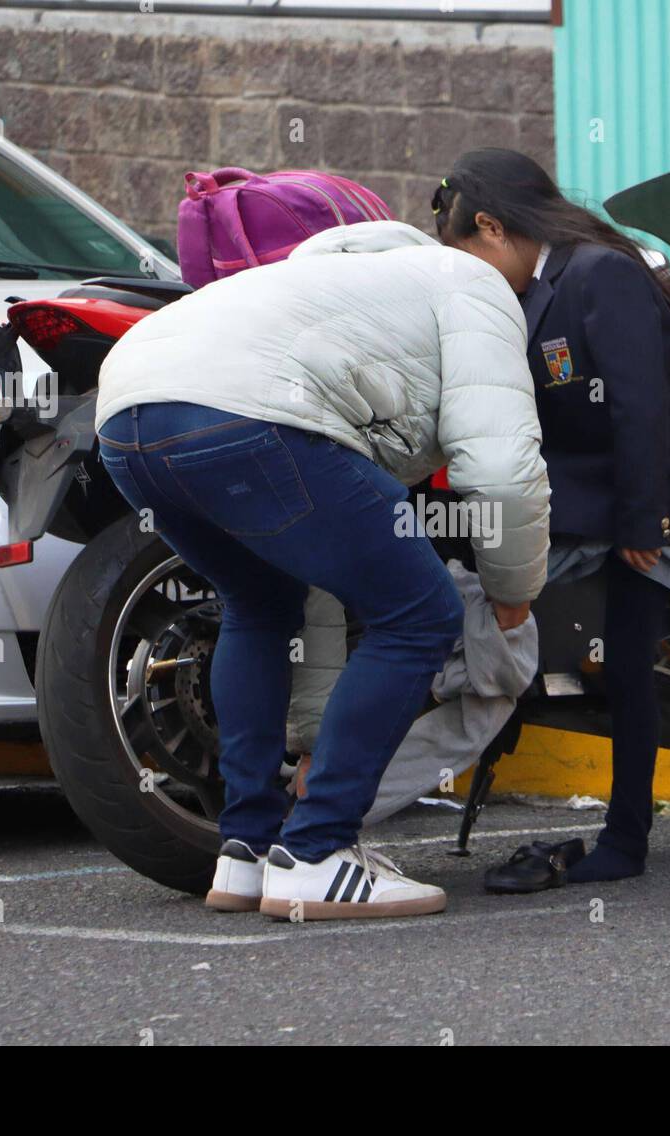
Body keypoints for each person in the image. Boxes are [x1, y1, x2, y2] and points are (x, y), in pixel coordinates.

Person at [94, 219, 550, 919]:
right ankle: (317, 852)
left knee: (260, 601)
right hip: (249, 414)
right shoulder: (472, 283)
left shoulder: (308, 282)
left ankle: (244, 850)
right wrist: (514, 592)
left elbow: (324, 597)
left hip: (125, 417)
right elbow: (500, 469)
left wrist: (313, 735)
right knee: (422, 613)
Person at [434, 148, 670, 883]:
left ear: (493, 227)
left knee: (631, 668)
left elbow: (639, 406)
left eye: (470, 254)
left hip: (636, 508)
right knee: (609, 666)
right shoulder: (538, 288)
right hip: (581, 507)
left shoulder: (601, 272)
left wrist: (642, 524)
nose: (472, 274)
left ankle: (625, 844)